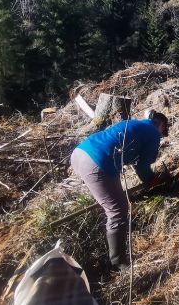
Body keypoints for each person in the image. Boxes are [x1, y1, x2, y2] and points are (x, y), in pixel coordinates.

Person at [70, 110, 169, 269]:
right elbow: (142, 167)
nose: (161, 135)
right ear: (161, 125)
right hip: (97, 162)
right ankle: (119, 262)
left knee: (111, 201)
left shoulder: (133, 124)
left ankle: (114, 244)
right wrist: (152, 181)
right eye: (163, 131)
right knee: (118, 209)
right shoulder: (153, 133)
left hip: (80, 153)